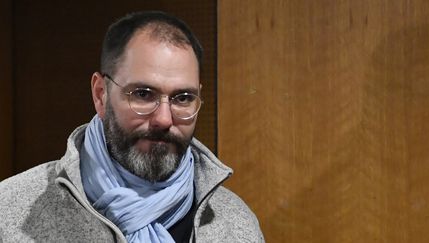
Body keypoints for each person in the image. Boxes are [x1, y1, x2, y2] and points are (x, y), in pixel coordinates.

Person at [0, 11, 264, 243]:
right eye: (143, 94)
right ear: (101, 94)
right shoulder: (10, 213)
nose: (163, 119)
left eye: (183, 98)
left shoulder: (235, 224)